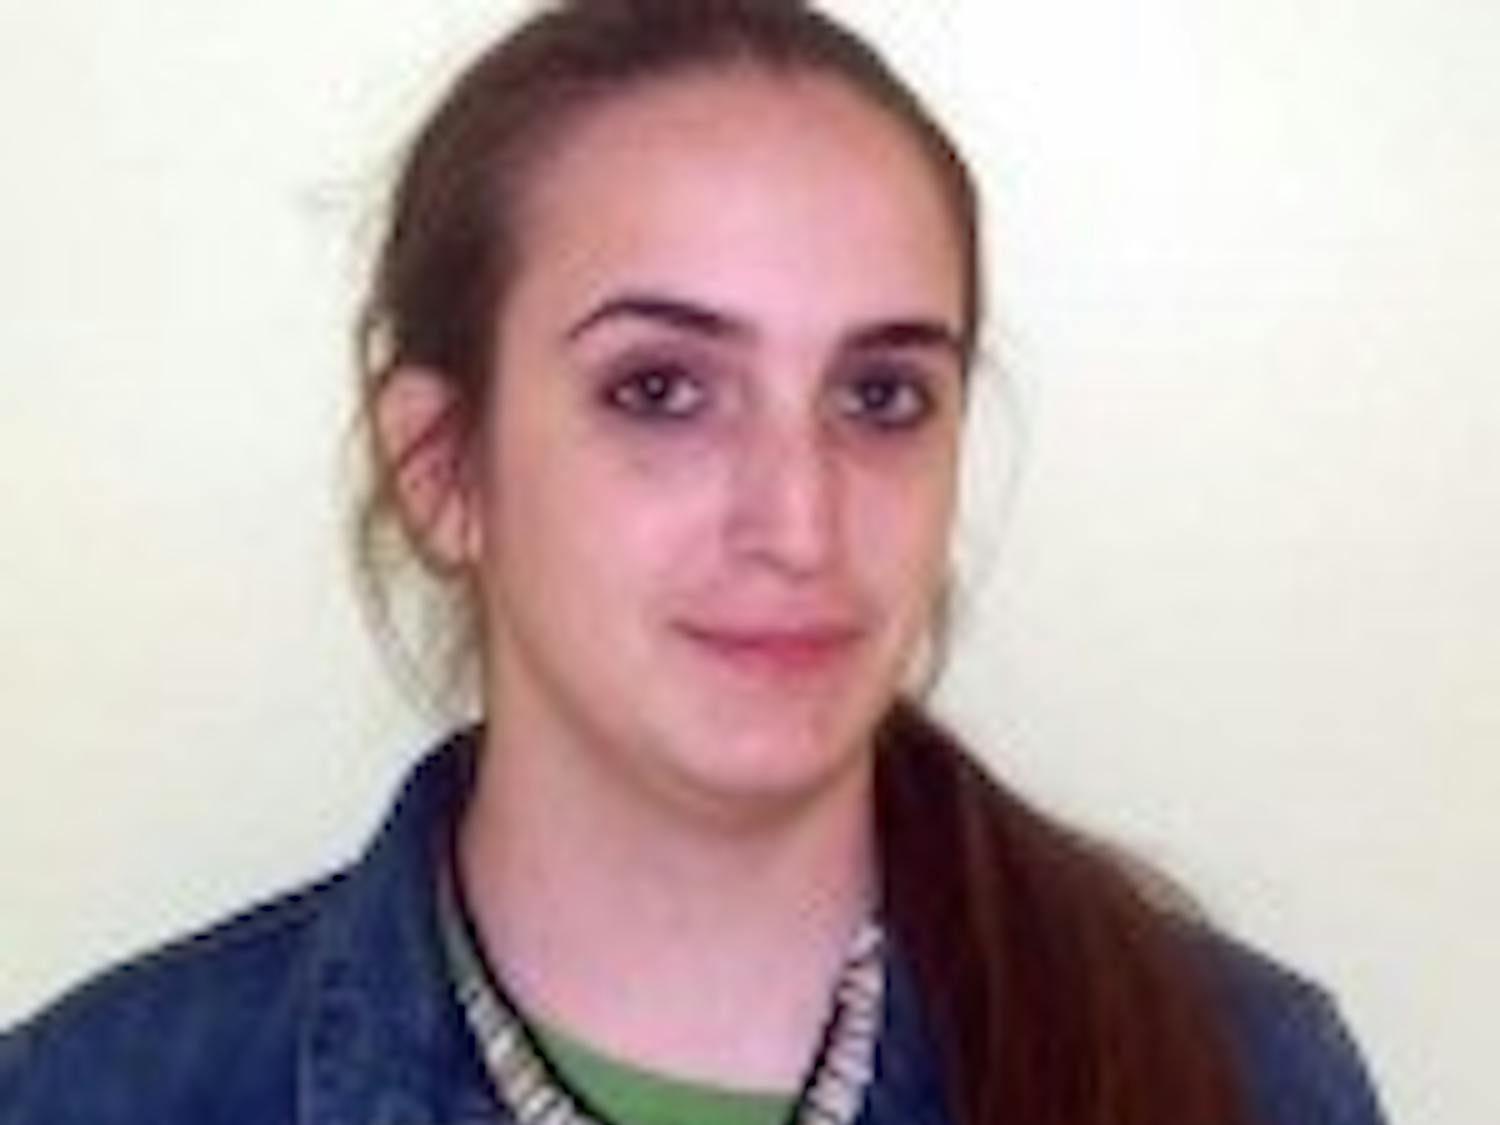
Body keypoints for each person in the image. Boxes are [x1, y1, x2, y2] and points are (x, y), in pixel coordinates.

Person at [0, 3, 1387, 1123]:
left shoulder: (1243, 1078)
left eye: (882, 397)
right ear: (440, 466)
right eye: (661, 390)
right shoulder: (93, 1100)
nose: (801, 521)